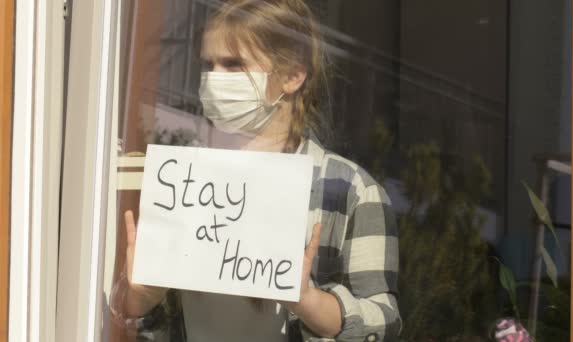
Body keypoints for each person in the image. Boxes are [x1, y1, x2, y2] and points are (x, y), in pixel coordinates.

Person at [110, 0, 401, 341]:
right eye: (208, 65)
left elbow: (383, 323)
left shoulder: (350, 191)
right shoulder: (181, 182)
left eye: (234, 65)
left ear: (293, 75)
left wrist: (309, 302)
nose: (214, 79)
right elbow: (128, 318)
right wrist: (140, 299)